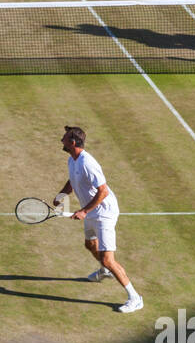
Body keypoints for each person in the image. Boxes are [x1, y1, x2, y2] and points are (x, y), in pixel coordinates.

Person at [53, 126, 144, 314]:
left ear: (72, 142)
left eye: (64, 138)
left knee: (108, 259)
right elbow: (72, 181)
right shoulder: (72, 160)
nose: (61, 140)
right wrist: (62, 194)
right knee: (90, 245)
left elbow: (103, 191)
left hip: (104, 213)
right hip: (92, 210)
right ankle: (106, 271)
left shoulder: (88, 163)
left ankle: (135, 298)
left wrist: (84, 211)